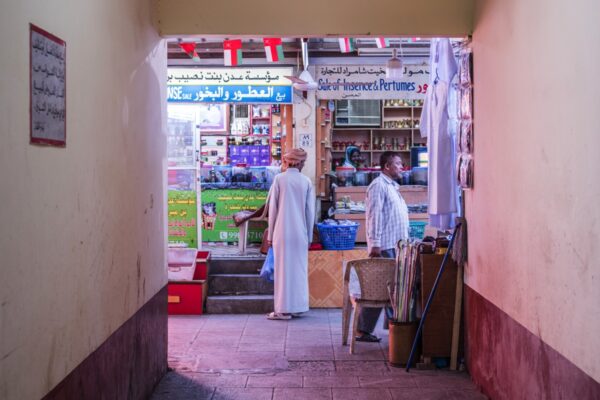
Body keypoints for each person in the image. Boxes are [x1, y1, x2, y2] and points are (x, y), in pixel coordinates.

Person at [357, 151, 409, 342]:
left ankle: (392, 326)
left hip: (396, 245)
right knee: (378, 289)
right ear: (387, 166)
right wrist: (375, 244)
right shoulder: (378, 186)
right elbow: (374, 216)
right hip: (385, 245)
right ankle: (363, 330)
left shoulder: (392, 187)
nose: (401, 167)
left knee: (391, 289)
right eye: (398, 164)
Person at [265, 148, 315, 320]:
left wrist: (270, 236)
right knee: (299, 271)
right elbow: (310, 213)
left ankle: (282, 310)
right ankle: (298, 307)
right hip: (300, 234)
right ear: (299, 162)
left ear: (288, 161)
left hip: (281, 232)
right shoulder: (306, 181)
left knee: (282, 272)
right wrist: (309, 237)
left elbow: (273, 210)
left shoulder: (279, 179)